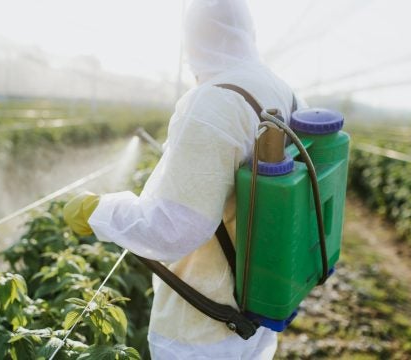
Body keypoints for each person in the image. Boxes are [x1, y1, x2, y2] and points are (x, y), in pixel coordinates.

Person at [64, 0, 304, 358]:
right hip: (257, 303)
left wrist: (99, 210)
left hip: (202, 326)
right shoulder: (280, 89)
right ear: (249, 34)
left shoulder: (215, 102)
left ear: (192, 41)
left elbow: (175, 228)